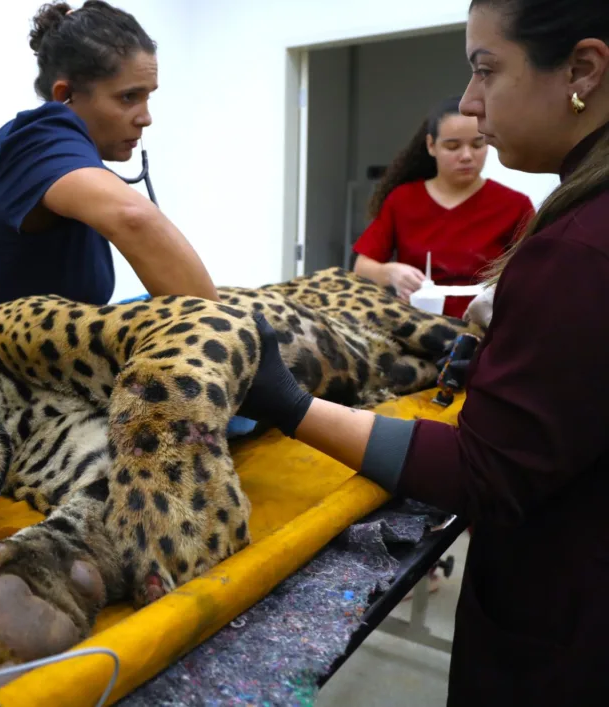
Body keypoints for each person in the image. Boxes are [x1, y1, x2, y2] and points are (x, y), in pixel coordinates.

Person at [241, 0, 609, 702]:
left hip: (567, 628)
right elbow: (362, 265)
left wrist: (290, 404)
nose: (471, 107)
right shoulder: (560, 224)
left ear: (583, 69)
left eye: (485, 69)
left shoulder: (574, 246)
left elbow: (483, 471)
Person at [0, 1, 219, 319]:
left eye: (148, 96)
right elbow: (133, 218)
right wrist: (236, 346)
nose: (145, 118)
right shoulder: (38, 137)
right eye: (128, 97)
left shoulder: (70, 159)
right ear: (64, 96)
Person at [352, 95, 534, 318]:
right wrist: (389, 273)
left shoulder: (515, 205)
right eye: (453, 146)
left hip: (487, 328)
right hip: (417, 326)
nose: (466, 156)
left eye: (477, 144)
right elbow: (362, 267)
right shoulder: (402, 200)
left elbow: (535, 272)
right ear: (431, 145)